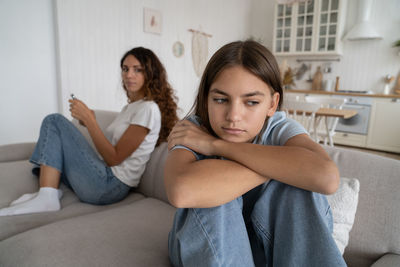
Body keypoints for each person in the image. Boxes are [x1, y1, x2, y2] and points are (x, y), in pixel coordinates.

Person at [164, 40, 346, 266]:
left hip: (266, 248)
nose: (233, 115)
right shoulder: (192, 130)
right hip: (205, 248)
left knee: (299, 189)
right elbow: (181, 191)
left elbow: (326, 178)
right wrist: (283, 167)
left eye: (251, 102)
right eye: (220, 99)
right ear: (206, 99)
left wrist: (216, 146)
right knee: (215, 192)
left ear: (272, 104)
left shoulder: (277, 127)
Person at [0, 47, 178, 216]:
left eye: (137, 70)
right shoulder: (130, 108)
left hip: (110, 185)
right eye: (125, 69)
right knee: (56, 132)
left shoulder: (148, 109)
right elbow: (111, 146)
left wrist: (91, 121)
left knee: (54, 120)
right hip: (103, 176)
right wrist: (87, 121)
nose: (128, 75)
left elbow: (114, 158)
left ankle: (47, 196)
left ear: (151, 74)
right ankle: (47, 191)